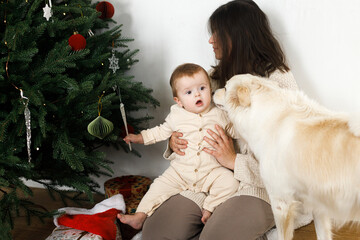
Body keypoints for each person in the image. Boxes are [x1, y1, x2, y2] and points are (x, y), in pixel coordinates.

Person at [141, 1, 300, 239]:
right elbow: (193, 121)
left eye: (216, 33)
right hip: (207, 181)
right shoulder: (213, 79)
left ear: (238, 35)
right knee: (154, 234)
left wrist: (234, 161)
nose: (210, 40)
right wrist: (174, 143)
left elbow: (288, 163)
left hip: (261, 189)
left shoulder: (278, 83)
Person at [117, 63, 240, 230]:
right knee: (158, 186)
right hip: (180, 172)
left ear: (210, 89)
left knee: (230, 182)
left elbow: (235, 130)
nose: (197, 94)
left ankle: (209, 208)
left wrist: (245, 126)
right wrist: (139, 137)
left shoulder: (220, 113)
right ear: (179, 101)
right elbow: (160, 132)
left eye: (202, 88)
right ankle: (140, 215)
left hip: (211, 171)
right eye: (189, 92)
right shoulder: (176, 115)